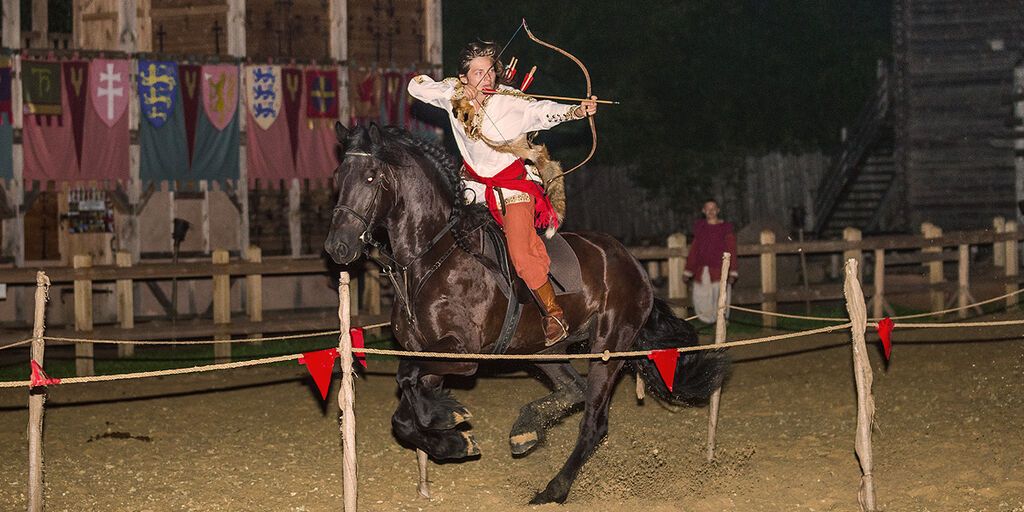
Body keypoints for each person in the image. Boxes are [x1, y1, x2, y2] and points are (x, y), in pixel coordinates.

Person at [408, 40, 598, 345]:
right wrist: (454, 92)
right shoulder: (454, 96)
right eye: (478, 73)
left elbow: (543, 112)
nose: (486, 78)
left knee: (521, 254)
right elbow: (416, 86)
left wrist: (576, 111)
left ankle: (554, 313)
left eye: (490, 72)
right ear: (464, 77)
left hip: (511, 189)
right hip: (472, 190)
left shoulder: (511, 101)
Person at [683, 199, 738, 323]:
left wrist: (733, 271)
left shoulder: (725, 228)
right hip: (702, 270)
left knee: (719, 297)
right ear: (704, 211)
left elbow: (732, 250)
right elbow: (694, 250)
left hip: (719, 270)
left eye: (713, 208)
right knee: (701, 297)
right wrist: (688, 271)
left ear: (718, 210)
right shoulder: (700, 228)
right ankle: (707, 320)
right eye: (708, 209)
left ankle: (721, 322)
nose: (711, 211)